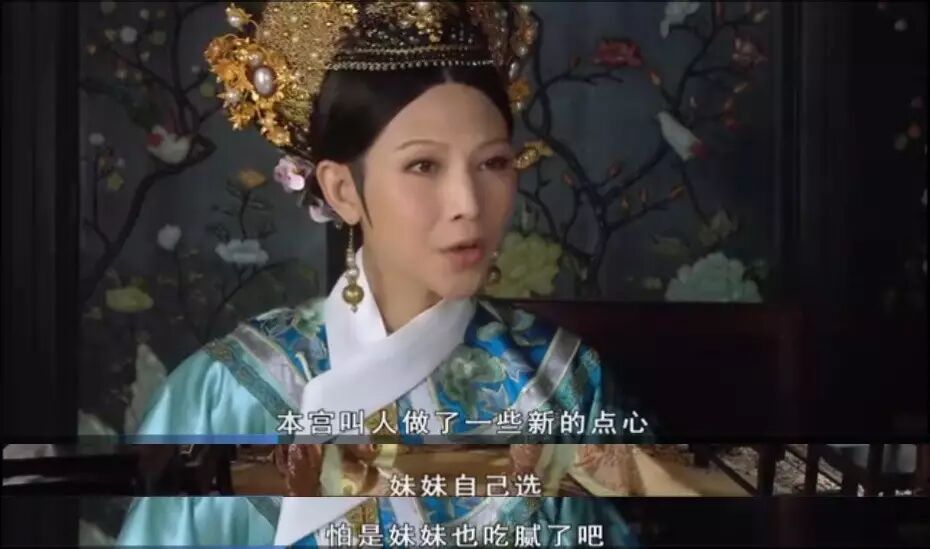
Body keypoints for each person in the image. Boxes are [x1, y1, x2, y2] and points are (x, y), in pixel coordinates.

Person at [118, 1, 654, 546]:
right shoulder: (228, 395)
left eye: (492, 163)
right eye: (424, 165)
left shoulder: (563, 384)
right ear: (342, 190)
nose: (468, 203)